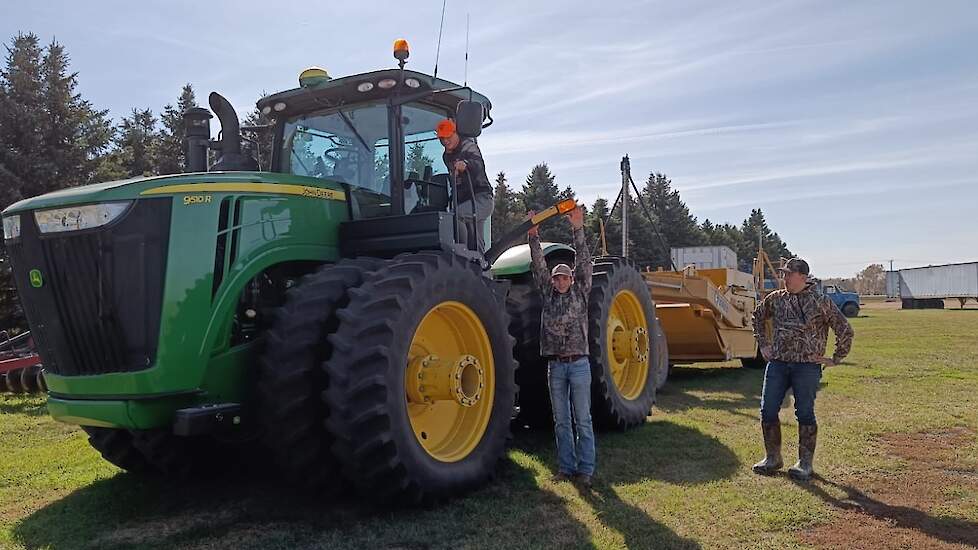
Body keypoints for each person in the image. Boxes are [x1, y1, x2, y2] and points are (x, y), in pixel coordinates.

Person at [751, 257, 854, 481]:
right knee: (768, 409)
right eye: (783, 274)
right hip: (778, 363)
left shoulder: (820, 301)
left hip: (806, 366)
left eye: (788, 274)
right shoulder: (776, 299)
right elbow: (757, 317)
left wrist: (835, 358)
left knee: (804, 412)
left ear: (803, 277)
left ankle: (804, 463)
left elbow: (845, 329)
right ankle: (772, 458)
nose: (784, 278)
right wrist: (764, 344)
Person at [527, 206, 595, 488]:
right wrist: (533, 235)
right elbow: (538, 264)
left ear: (572, 279)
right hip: (556, 365)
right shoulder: (548, 294)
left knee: (583, 419)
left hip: (579, 364)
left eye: (565, 276)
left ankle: (586, 470)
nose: (561, 280)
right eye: (557, 277)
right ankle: (566, 468)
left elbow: (586, 262)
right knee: (562, 421)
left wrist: (577, 228)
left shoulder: (581, 291)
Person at [437, 118, 493, 252]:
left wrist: (466, 164)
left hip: (480, 198)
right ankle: (479, 265)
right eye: (442, 138)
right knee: (476, 238)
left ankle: (462, 253)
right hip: (464, 200)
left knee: (456, 216)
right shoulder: (446, 156)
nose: (445, 141)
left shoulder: (469, 146)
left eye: (448, 137)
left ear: (456, 133)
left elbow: (478, 164)